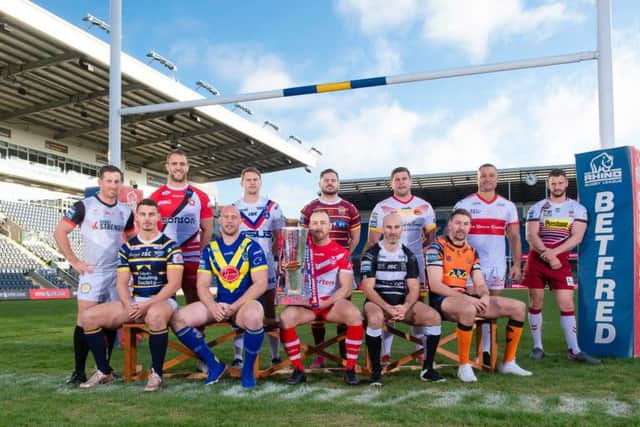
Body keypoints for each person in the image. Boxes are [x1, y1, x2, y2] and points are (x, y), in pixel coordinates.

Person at [78, 199, 183, 391]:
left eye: (152, 214)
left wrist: (147, 304)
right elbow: (121, 283)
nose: (147, 219)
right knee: (88, 317)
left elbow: (174, 284)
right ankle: (104, 371)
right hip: (136, 302)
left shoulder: (170, 246)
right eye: (143, 214)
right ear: (137, 218)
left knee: (156, 315)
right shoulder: (127, 247)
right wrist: (128, 305)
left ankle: (156, 373)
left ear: (158, 217)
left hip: (163, 301)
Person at [426, 208, 532, 383]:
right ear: (450, 225)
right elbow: (436, 285)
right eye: (458, 223)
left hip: (466, 298)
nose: (462, 227)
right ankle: (464, 366)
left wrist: (483, 296)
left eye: (466, 224)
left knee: (518, 307)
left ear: (470, 227)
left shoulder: (471, 251)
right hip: (442, 300)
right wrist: (468, 298)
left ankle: (508, 362)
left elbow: (480, 283)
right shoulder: (436, 247)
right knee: (468, 309)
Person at [170, 205, 268, 388]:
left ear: (241, 221)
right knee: (177, 318)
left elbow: (261, 283)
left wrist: (234, 306)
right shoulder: (209, 249)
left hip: (245, 305)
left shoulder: (251, 247)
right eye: (226, 217)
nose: (230, 220)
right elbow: (202, 285)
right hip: (220, 304)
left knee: (255, 318)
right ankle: (214, 364)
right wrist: (213, 306)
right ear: (219, 220)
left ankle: (247, 371)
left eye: (234, 217)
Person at [54, 165, 135, 385]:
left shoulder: (126, 210)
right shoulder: (84, 206)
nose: (113, 185)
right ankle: (78, 371)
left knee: (109, 322)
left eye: (117, 181)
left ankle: (105, 369)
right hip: (92, 272)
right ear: (100, 182)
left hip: (116, 273)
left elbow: (133, 240)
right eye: (108, 181)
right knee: (83, 321)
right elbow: (60, 232)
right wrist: (74, 261)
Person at [523, 169, 600, 363]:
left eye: (560, 183)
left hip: (560, 260)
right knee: (535, 302)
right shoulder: (537, 208)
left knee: (567, 303)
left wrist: (554, 254)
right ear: (548, 185)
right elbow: (531, 235)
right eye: (553, 183)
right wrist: (547, 255)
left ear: (566, 184)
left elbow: (577, 237)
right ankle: (538, 347)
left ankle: (574, 350)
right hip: (537, 259)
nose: (557, 187)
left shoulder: (578, 209)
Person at [280, 210, 364, 385]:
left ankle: (350, 368)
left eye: (323, 223)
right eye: (315, 223)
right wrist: (285, 270)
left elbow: (347, 289)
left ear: (330, 226)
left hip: (330, 303)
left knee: (355, 315)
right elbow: (290, 281)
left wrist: (326, 302)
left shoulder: (341, 252)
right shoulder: (298, 250)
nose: (318, 227)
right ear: (309, 226)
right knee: (285, 317)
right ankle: (298, 369)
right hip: (306, 305)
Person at [361, 213, 444, 386]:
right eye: (389, 227)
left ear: (402, 229)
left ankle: (428, 369)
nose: (392, 231)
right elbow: (368, 289)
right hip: (377, 303)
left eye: (396, 227)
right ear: (383, 229)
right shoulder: (371, 254)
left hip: (401, 304)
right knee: (375, 318)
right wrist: (388, 308)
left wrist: (405, 306)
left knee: (433, 317)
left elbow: (414, 288)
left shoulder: (409, 255)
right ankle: (376, 372)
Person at [454, 163, 522, 366]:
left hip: (497, 265)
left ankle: (487, 352)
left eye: (491, 175)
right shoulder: (464, 204)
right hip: (471, 267)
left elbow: (515, 237)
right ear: (478, 179)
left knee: (492, 308)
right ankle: (475, 355)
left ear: (496, 179)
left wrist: (517, 264)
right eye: (483, 176)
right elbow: (455, 236)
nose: (487, 179)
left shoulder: (507, 206)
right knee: (473, 309)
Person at [367, 166, 436, 366]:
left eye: (404, 178)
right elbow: (372, 239)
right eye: (397, 179)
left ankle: (420, 351)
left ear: (410, 181)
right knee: (389, 305)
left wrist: (423, 250)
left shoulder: (424, 206)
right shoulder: (382, 207)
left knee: (416, 305)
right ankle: (385, 353)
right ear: (392, 183)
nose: (401, 182)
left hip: (416, 266)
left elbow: (431, 235)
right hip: (388, 265)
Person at [300, 168, 361, 368]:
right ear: (320, 184)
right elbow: (301, 239)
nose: (330, 183)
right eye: (326, 180)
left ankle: (345, 354)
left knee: (344, 313)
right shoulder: (309, 209)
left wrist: (343, 257)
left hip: (340, 269)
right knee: (316, 314)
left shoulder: (349, 208)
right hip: (315, 269)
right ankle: (320, 353)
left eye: (333, 180)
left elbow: (356, 237)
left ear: (338, 184)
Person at [232, 167, 285, 368]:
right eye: (248, 179)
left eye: (255, 179)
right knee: (239, 309)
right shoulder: (234, 208)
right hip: (241, 269)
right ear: (242, 182)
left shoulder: (273, 207)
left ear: (260, 182)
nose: (252, 183)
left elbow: (279, 239)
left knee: (270, 313)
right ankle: (238, 357)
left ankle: (275, 356)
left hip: (267, 267)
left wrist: (275, 260)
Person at [150, 149, 214, 307]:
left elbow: (208, 229)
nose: (178, 167)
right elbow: (150, 231)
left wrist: (200, 255)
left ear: (187, 167)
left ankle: (198, 333)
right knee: (162, 304)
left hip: (192, 257)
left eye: (182, 164)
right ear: (167, 166)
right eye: (174, 164)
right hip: (165, 258)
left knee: (196, 304)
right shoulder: (155, 196)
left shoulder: (200, 196)